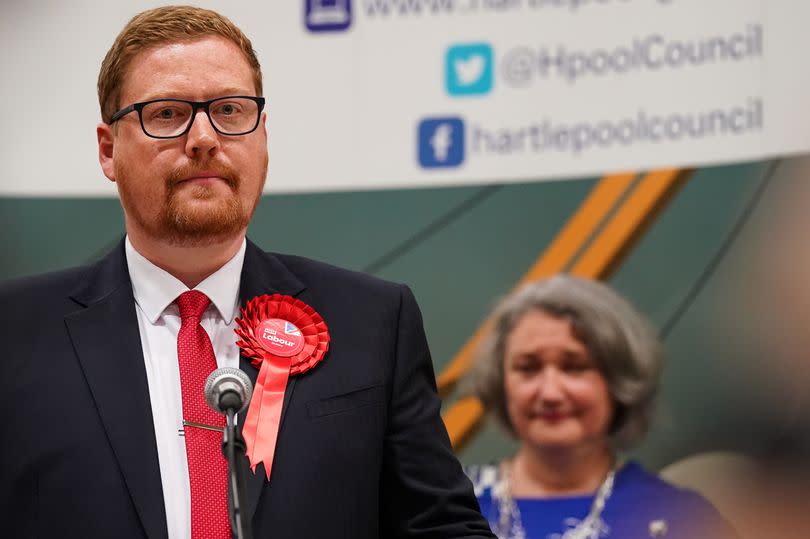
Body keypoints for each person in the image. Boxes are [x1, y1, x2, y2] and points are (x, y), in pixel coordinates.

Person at [0, 6, 494, 539]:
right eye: (166, 114)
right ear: (108, 150)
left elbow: (441, 527)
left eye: (231, 110)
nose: (205, 137)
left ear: (262, 135)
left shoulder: (371, 322)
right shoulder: (14, 332)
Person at [462, 275, 736, 539]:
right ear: (500, 381)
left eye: (574, 367)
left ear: (618, 380)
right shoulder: (448, 507)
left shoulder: (683, 518)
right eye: (528, 368)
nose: (550, 392)